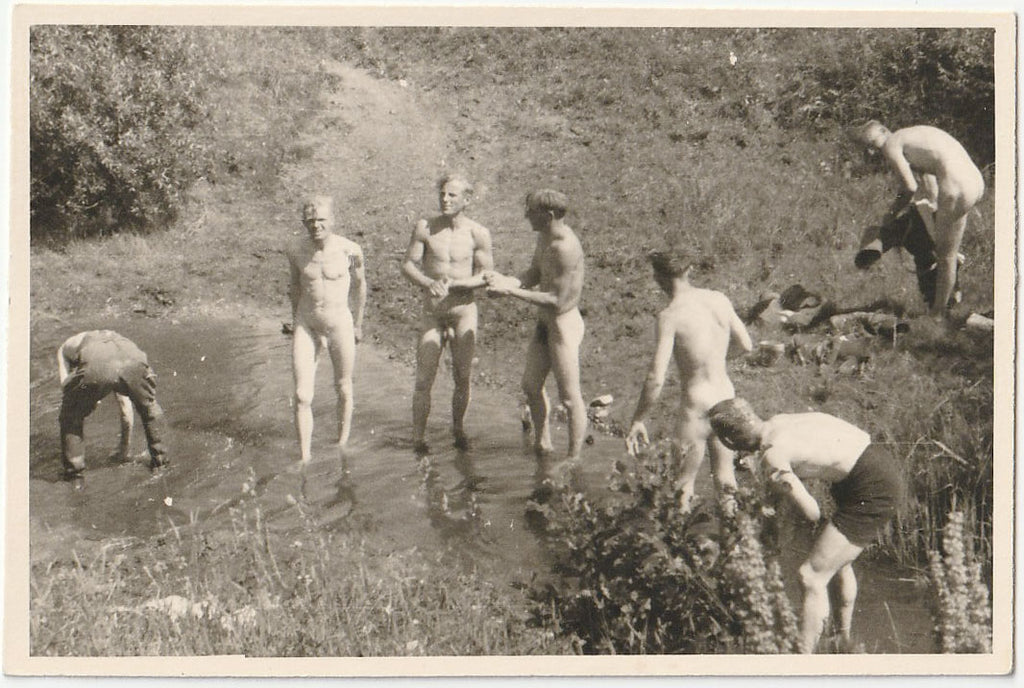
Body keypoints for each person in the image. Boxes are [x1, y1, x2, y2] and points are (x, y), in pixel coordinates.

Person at [708, 397, 903, 654]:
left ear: (729, 442)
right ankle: (843, 641)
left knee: (811, 576)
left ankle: (802, 664)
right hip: (875, 461)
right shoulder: (779, 421)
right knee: (838, 563)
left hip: (871, 485)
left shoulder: (772, 454)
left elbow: (811, 511)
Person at [624, 250, 753, 510]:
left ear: (658, 278)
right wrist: (716, 361)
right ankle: (735, 545)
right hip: (726, 399)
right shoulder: (719, 300)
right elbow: (746, 345)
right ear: (688, 271)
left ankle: (681, 546)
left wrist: (638, 418)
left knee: (683, 484)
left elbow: (656, 378)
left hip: (696, 407)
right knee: (726, 480)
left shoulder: (670, 316)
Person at [484, 189, 586, 468]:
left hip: (563, 324)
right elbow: (532, 274)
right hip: (545, 321)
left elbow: (557, 300)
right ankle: (544, 441)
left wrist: (509, 293)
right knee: (530, 386)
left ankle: (574, 458)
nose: (526, 215)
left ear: (549, 216)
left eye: (531, 210)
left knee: (569, 396)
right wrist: (507, 281)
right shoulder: (544, 237)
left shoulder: (564, 248)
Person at [851, 121, 984, 316]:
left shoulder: (892, 143)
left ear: (884, 131)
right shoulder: (912, 137)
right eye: (868, 147)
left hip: (956, 187)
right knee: (943, 247)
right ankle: (948, 297)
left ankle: (937, 315)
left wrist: (891, 212)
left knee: (946, 257)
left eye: (873, 144)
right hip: (974, 181)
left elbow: (909, 187)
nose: (873, 151)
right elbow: (929, 186)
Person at [401, 173, 494, 453]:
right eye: (442, 194)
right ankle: (418, 439)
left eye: (452, 195)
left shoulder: (478, 233)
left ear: (467, 200)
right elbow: (408, 265)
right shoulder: (426, 227)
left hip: (463, 311)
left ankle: (458, 429)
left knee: (462, 376)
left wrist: (457, 284)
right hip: (433, 312)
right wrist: (429, 283)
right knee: (423, 377)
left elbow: (486, 275)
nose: (445, 199)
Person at [286, 195, 367, 463]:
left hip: (339, 324)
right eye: (310, 221)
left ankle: (342, 444)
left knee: (343, 387)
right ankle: (304, 458)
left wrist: (358, 323)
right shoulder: (295, 251)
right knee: (302, 395)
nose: (316, 225)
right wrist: (295, 320)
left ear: (332, 220)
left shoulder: (351, 251)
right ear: (303, 222)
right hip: (307, 324)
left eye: (321, 220)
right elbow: (295, 287)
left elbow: (360, 285)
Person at [57, 330, 168, 481]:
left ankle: (74, 476)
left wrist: (89, 399)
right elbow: (124, 407)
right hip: (133, 358)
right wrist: (124, 449)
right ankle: (161, 464)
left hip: (98, 362)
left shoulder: (64, 350)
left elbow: (66, 388)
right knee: (149, 408)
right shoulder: (114, 340)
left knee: (70, 416)